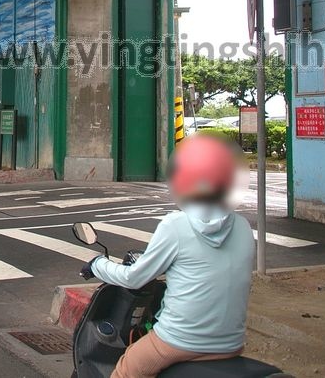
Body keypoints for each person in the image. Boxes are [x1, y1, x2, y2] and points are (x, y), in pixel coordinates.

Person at [81, 134, 254, 378]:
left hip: (179, 342)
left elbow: (134, 279)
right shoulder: (244, 227)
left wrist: (98, 265)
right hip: (231, 344)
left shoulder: (176, 225)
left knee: (126, 369)